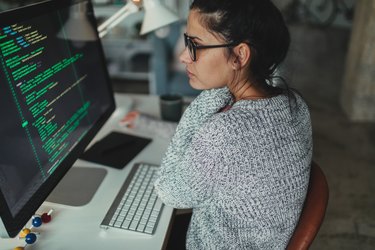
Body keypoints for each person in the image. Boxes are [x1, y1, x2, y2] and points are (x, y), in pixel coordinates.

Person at [125, 0, 312, 249]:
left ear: (240, 54)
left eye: (195, 45)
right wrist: (145, 123)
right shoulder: (293, 103)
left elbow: (168, 191)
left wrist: (203, 99)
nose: (183, 56)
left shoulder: (227, 129)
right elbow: (207, 146)